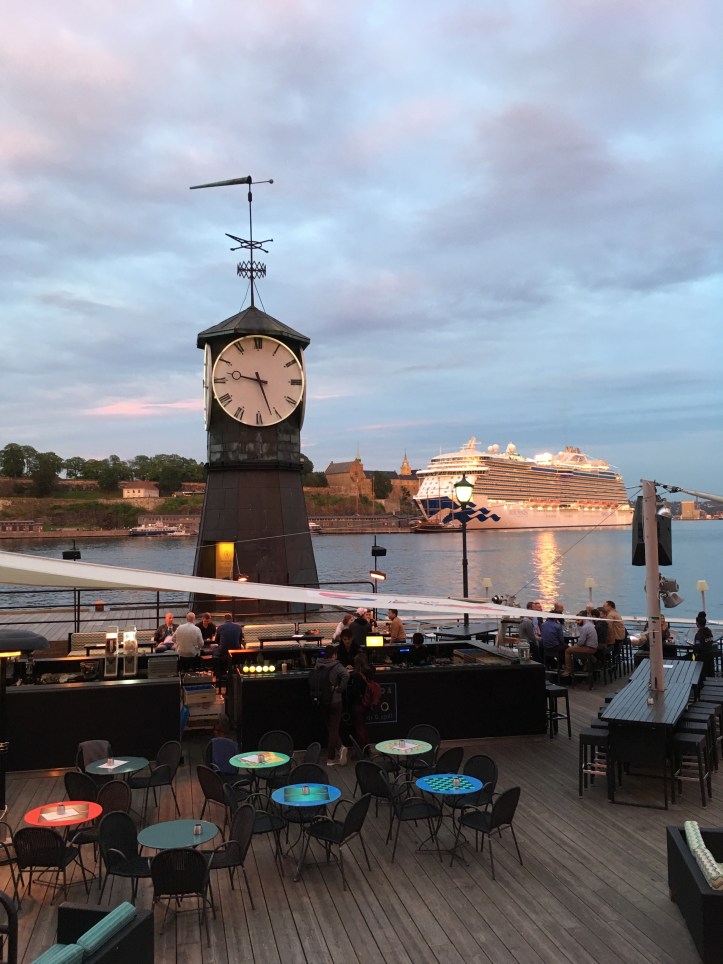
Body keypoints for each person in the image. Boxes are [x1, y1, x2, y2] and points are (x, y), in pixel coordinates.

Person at [313, 644, 349, 766]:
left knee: (330, 727)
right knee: (334, 729)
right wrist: (340, 688)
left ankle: (340, 748)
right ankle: (331, 757)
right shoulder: (336, 665)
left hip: (322, 699)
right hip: (335, 700)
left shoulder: (318, 664)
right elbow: (346, 675)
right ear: (334, 655)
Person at [561, 614, 598, 679]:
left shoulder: (585, 627)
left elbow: (581, 642)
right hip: (593, 646)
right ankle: (588, 663)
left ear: (582, 618)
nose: (577, 621)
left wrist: (576, 645)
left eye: (578, 620)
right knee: (575, 649)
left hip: (589, 648)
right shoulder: (590, 624)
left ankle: (568, 670)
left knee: (568, 650)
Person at [693, 611, 715, 679]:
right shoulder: (709, 632)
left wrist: (693, 646)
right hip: (710, 656)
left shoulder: (699, 635)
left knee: (690, 657)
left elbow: (698, 648)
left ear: (697, 623)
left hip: (702, 658)